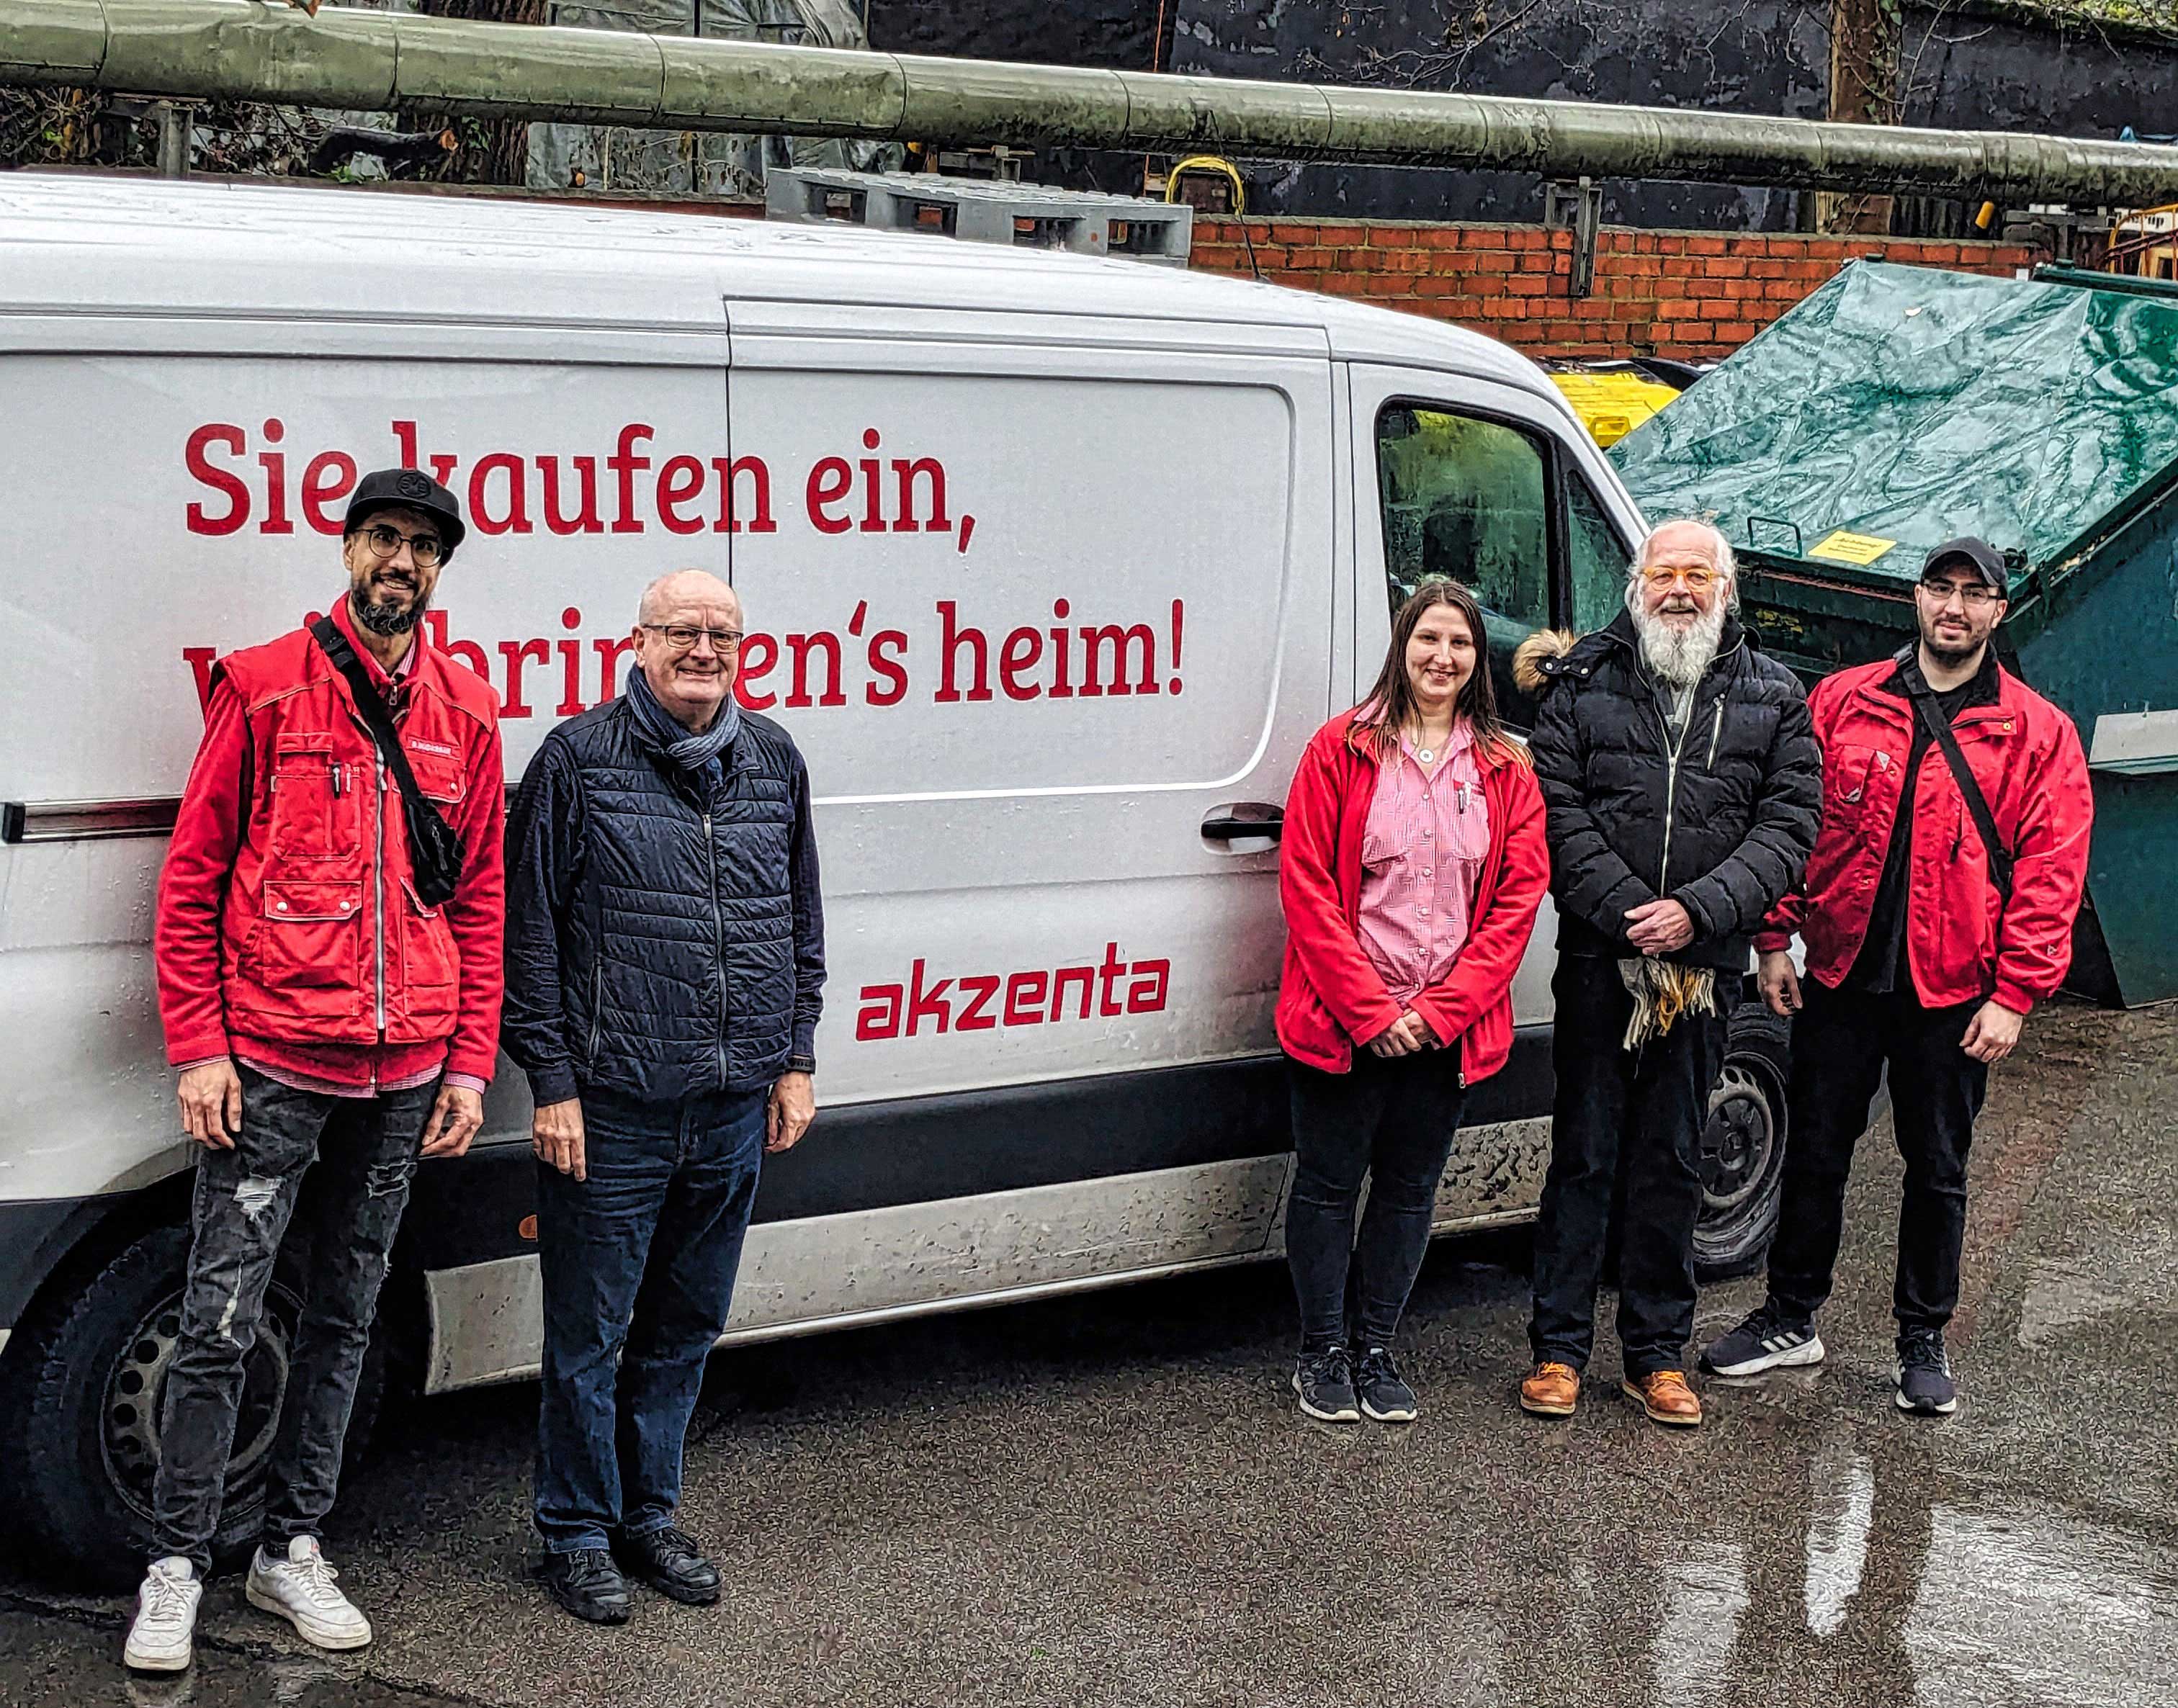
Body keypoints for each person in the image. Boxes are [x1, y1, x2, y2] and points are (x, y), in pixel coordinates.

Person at [134, 469, 504, 1673]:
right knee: (220, 1318)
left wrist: (468, 1062)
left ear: (440, 570)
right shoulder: (262, 686)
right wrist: (199, 1046)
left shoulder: (466, 708)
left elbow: (480, 900)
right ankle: (176, 1562)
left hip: (407, 1075)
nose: (401, 562)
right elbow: (193, 878)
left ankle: (290, 1545)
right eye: (383, 538)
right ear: (348, 550)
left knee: (347, 1315)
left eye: (423, 548)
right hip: (275, 1061)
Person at [1702, 536, 2092, 1414]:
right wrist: (1774, 937)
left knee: (1938, 1166)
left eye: (1973, 594)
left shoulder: (2040, 733)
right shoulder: (1844, 700)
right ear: (1915, 598)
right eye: (1940, 588)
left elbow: (2051, 871)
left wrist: (2014, 994)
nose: (1954, 607)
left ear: (1999, 610)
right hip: (1841, 972)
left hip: (1954, 988)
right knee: (1815, 1149)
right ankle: (1789, 1316)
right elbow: (1792, 822)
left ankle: (1922, 1336)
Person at [503, 568, 825, 1624]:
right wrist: (552, 1082)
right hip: (614, 1107)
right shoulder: (577, 759)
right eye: (682, 629)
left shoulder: (773, 758)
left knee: (685, 1327)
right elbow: (529, 935)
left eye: (723, 633)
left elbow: (799, 918)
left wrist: (794, 1057)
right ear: (637, 642)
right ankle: (576, 1532)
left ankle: (650, 1516)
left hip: (731, 1103)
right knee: (589, 1336)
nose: (703, 649)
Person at [1514, 518, 1819, 1427]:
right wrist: (1626, 911)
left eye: (1697, 574)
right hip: (1599, 959)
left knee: (1675, 1157)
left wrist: (1699, 911)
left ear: (1727, 589)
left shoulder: (1776, 694)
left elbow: (1789, 826)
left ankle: (1656, 1354)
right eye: (1663, 573)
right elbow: (1555, 809)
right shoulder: (1580, 682)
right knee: (1584, 1152)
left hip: (1704, 967)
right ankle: (1559, 1349)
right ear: (1635, 586)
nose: (1678, 589)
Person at [1276, 578, 1551, 1424]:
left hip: (1444, 1031)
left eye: (1460, 642)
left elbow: (1515, 903)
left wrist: (1440, 1012)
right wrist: (1371, 1010)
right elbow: (1307, 887)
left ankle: (1376, 1347)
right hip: (1346, 1020)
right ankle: (1322, 1351)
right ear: (1402, 646)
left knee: (1407, 1190)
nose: (1443, 656)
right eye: (1429, 638)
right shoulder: (1341, 749)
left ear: (1479, 658)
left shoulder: (1506, 768)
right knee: (1328, 1184)